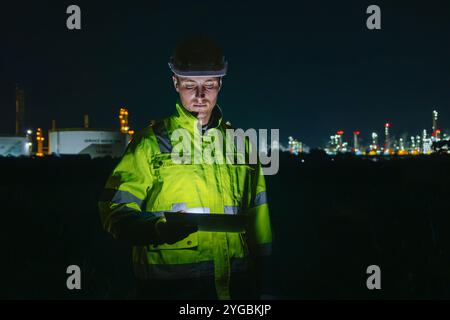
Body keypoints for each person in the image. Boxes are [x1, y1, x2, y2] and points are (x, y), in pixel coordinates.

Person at [98, 35, 272, 300]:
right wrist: (156, 230)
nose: (200, 95)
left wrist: (264, 284)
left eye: (209, 85)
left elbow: (259, 220)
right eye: (190, 85)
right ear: (175, 83)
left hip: (236, 288)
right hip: (168, 289)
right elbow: (114, 210)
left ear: (220, 85)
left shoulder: (241, 144)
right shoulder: (150, 142)